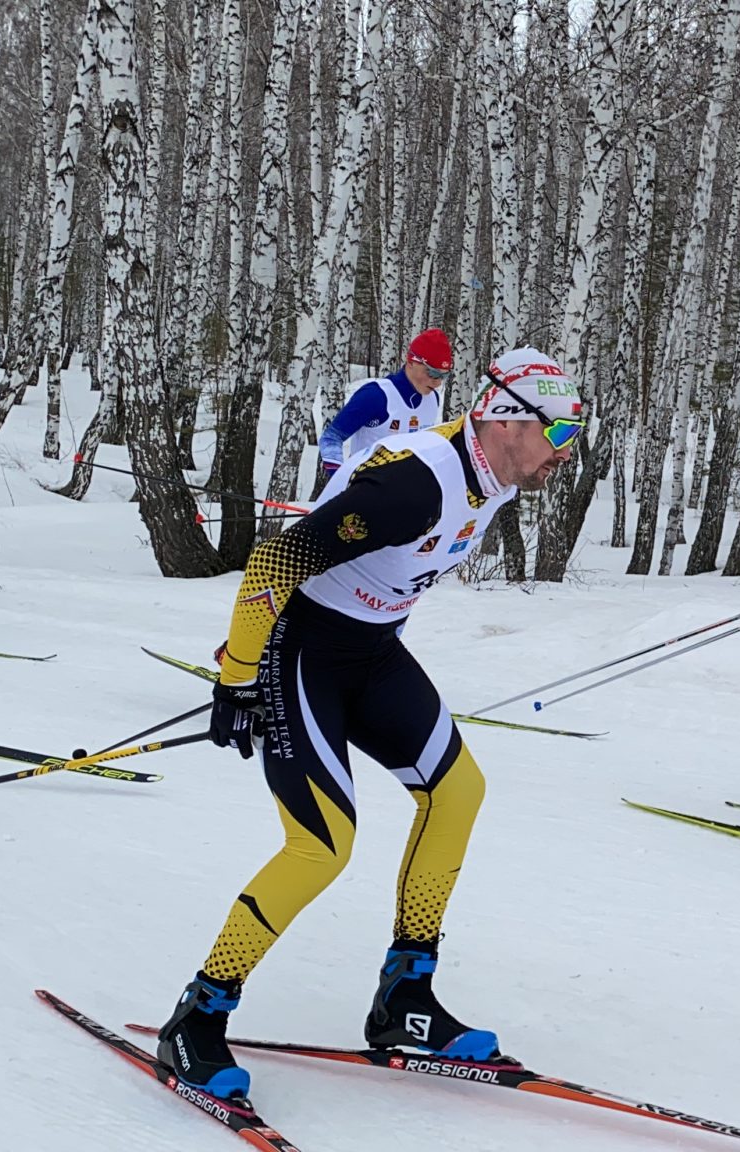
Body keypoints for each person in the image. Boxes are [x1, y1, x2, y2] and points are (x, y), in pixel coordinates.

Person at [157, 347, 583, 1102]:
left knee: (457, 791)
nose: (567, 453)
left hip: (372, 649)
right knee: (322, 844)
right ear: (507, 419)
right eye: (561, 433)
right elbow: (272, 566)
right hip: (303, 650)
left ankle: (404, 1003)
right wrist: (237, 678)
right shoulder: (418, 484)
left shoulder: (495, 472)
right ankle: (197, 1018)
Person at [316, 328, 454, 478]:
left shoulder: (433, 399)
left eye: (444, 375)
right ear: (411, 362)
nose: (438, 382)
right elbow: (331, 437)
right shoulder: (375, 395)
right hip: (364, 492)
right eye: (433, 373)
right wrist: (341, 479)